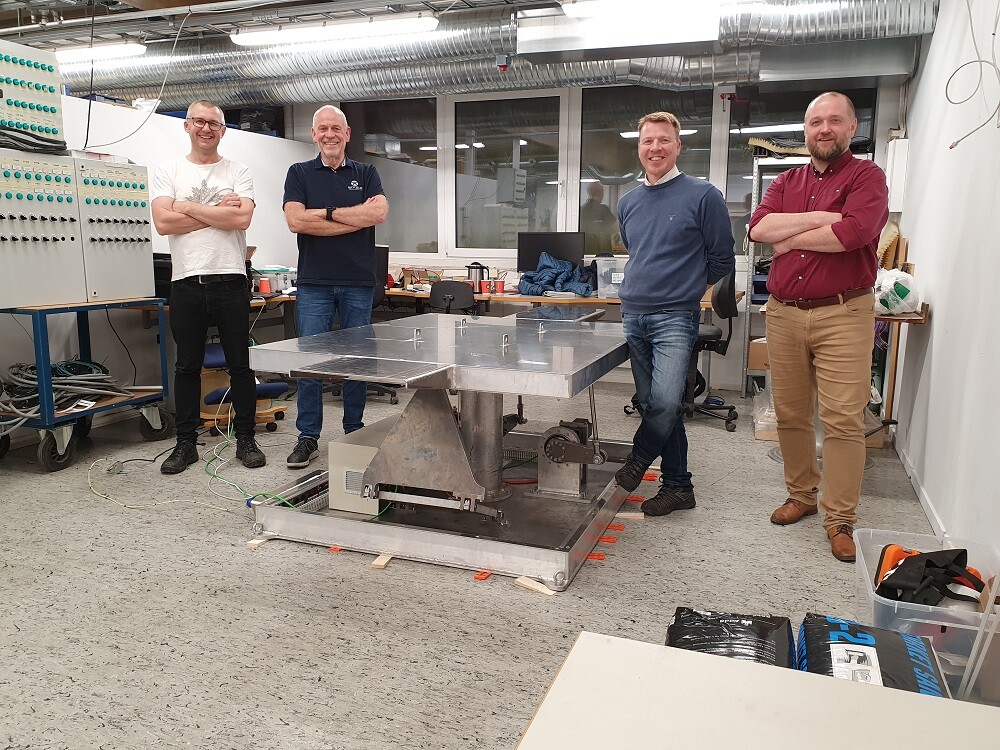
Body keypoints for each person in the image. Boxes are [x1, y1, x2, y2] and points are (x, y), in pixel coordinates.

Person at [748, 91, 888, 562]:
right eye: (815, 122)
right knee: (790, 413)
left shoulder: (867, 176)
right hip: (784, 311)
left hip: (843, 312)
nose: (824, 129)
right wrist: (821, 220)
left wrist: (789, 237)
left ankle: (840, 518)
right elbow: (758, 230)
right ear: (806, 131)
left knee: (843, 419)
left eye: (834, 120)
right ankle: (802, 496)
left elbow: (854, 233)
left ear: (852, 127)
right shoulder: (786, 180)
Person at [614, 112, 735, 516]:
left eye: (664, 140)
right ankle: (679, 486)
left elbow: (722, 258)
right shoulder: (628, 201)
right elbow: (637, 249)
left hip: (675, 317)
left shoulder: (703, 196)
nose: (656, 148)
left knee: (666, 403)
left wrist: (687, 287)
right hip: (634, 313)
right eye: (648, 141)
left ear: (678, 146)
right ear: (639, 148)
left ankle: (637, 459)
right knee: (652, 404)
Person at [151, 100, 265, 474]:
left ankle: (246, 439)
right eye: (199, 121)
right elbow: (163, 224)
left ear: (223, 130)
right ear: (186, 126)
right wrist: (219, 213)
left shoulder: (238, 170)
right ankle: (186, 444)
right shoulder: (169, 170)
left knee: (240, 365)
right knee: (186, 367)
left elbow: (242, 218)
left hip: (230, 279)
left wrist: (186, 206)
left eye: (213, 123)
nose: (206, 128)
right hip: (186, 282)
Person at [282, 105, 388, 469]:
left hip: (358, 281)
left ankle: (354, 430)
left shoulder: (366, 172)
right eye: (323, 129)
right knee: (310, 362)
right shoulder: (299, 173)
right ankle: (308, 436)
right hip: (314, 282)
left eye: (336, 128)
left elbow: (377, 214)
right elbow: (295, 221)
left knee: (356, 361)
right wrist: (352, 216)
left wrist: (323, 213)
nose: (329, 134)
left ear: (347, 134)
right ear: (314, 135)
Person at [579, 182, 617, 254]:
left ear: (589, 193)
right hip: (602, 252)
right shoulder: (603, 209)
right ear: (602, 193)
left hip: (585, 252)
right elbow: (614, 227)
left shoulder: (581, 210)